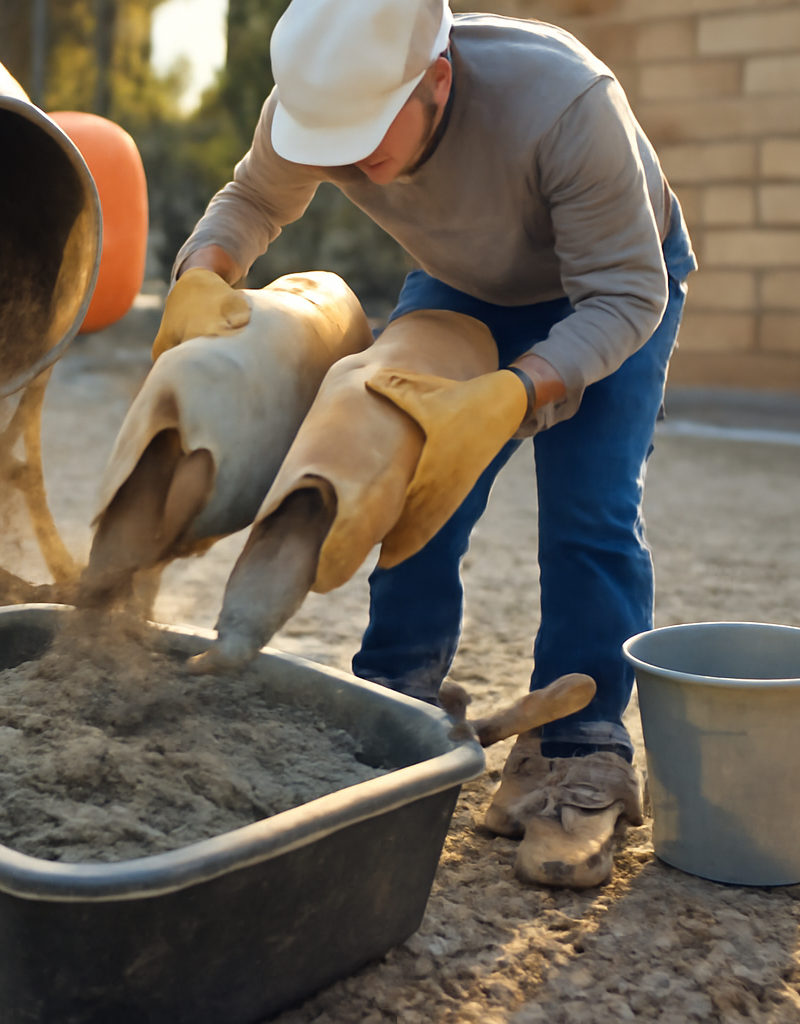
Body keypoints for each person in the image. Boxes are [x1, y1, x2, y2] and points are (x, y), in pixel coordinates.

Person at [159, 0, 697, 888]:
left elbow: (626, 294)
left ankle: (580, 749)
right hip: (464, 282)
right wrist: (202, 270)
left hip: (609, 284)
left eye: (367, 140)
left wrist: (518, 389)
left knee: (590, 513)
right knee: (412, 487)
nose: (345, 163)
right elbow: (253, 198)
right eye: (330, 145)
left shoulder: (565, 102)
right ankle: (395, 699)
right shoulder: (320, 98)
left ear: (437, 78)